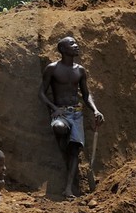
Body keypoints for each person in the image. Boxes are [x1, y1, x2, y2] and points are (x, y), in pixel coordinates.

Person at [40, 35, 104, 197]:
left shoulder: (80, 70)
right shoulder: (52, 68)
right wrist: (54, 108)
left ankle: (68, 188)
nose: (76, 45)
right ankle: (63, 156)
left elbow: (86, 94)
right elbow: (41, 93)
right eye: (72, 44)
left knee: (75, 150)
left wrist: (95, 110)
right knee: (59, 128)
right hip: (61, 112)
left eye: (75, 43)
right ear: (62, 49)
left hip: (76, 113)